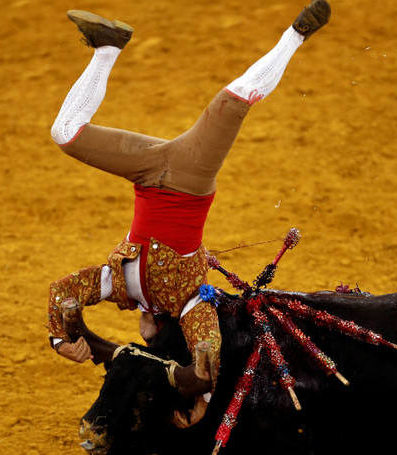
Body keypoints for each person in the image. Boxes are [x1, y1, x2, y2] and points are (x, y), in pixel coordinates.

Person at [46, 0, 330, 407]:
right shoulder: (190, 303)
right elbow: (207, 353)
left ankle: (107, 47)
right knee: (233, 101)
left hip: (145, 173)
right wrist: (202, 398)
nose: (141, 335)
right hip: (190, 175)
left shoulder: (117, 288)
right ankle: (296, 35)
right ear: (164, 333)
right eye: (150, 341)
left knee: (65, 132)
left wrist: (60, 339)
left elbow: (62, 291)